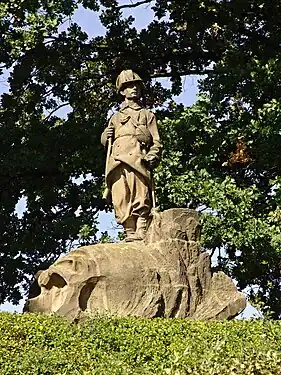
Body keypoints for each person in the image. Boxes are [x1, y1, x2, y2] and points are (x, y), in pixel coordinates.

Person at [101, 70, 162, 241]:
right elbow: (107, 141)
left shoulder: (147, 115)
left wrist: (152, 155)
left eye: (136, 86)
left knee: (140, 194)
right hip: (117, 160)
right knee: (121, 197)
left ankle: (142, 229)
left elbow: (157, 142)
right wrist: (105, 136)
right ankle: (129, 231)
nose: (133, 89)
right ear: (122, 91)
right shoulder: (114, 117)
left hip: (137, 159)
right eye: (129, 86)